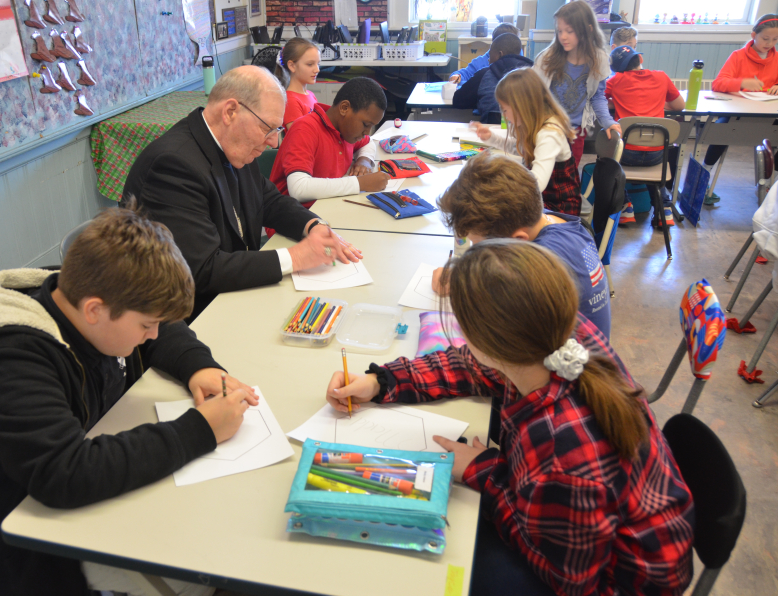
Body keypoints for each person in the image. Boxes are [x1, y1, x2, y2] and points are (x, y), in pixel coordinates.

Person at [325, 240, 694, 596]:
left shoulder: (562, 458)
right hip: (595, 536)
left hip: (610, 582)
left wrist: (484, 472)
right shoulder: (557, 339)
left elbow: (567, 580)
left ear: (486, 344)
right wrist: (380, 381)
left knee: (444, 561)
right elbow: (463, 366)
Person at [0, 206, 259, 596]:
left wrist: (197, 366)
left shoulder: (83, 289)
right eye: (145, 326)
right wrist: (200, 429)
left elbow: (162, 322)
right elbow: (66, 473)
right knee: (211, 564)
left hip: (71, 493)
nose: (154, 335)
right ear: (94, 311)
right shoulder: (9, 362)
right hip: (17, 543)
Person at [122, 65, 362, 321]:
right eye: (267, 128)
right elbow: (203, 270)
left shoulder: (231, 143)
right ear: (230, 112)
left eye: (277, 130)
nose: (273, 142)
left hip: (230, 299)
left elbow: (268, 200)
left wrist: (313, 226)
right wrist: (297, 257)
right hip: (191, 319)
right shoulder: (172, 165)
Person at [433, 151, 611, 337]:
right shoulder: (539, 218)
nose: (474, 253)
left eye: (478, 247)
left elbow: (498, 317)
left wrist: (461, 283)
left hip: (570, 362)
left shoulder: (545, 264)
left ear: (518, 240)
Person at [470, 68, 582, 216]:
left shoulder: (549, 133)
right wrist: (491, 137)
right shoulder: (535, 125)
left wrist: (503, 184)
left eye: (505, 110)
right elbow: (522, 149)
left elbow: (536, 183)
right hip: (543, 200)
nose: (504, 115)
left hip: (559, 209)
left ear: (522, 107)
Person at [269, 76, 389, 201]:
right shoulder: (305, 129)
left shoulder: (347, 131)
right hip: (293, 213)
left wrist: (364, 160)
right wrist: (360, 183)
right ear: (344, 108)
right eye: (365, 125)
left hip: (326, 205)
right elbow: (299, 188)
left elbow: (368, 142)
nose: (366, 132)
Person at [532, 0, 620, 164]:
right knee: (543, 172)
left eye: (569, 31)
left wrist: (607, 121)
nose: (563, 36)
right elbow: (534, 92)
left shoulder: (598, 59)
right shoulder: (547, 58)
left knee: (569, 177)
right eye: (559, 31)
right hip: (547, 128)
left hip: (575, 132)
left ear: (588, 30)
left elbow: (597, 96)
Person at [606, 45, 685, 225]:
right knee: (656, 170)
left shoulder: (616, 80)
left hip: (626, 154)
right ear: (640, 60)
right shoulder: (661, 76)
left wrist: (618, 102)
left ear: (616, 70)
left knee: (607, 159)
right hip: (656, 154)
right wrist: (658, 104)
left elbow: (598, 100)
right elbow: (680, 105)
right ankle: (663, 209)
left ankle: (626, 206)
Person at [705, 14, 778, 204]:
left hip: (767, 116)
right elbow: (718, 84)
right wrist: (741, 82)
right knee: (721, 131)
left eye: (775, 39)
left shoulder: (777, 59)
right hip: (737, 113)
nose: (770, 43)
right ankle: (705, 174)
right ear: (754, 34)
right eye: (765, 38)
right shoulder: (738, 56)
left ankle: (773, 184)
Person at [472, 33, 533, 124]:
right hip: (525, 132)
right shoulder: (533, 75)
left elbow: (459, 101)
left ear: (500, 54)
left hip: (489, 129)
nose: (488, 59)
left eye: (490, 54)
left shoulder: (485, 74)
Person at [449, 22, 519, 85]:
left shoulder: (520, 65)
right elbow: (464, 74)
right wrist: (456, 76)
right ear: (494, 44)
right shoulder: (481, 62)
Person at [273, 37, 321, 129]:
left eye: (318, 64)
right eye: (310, 64)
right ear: (292, 66)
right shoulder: (291, 101)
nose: (317, 70)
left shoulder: (311, 95)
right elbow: (300, 138)